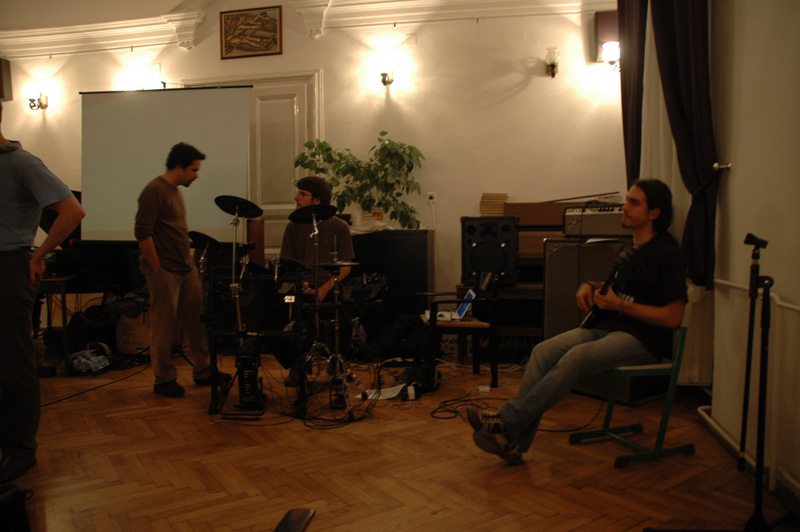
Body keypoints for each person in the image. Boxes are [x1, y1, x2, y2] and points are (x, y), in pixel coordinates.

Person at [467, 179, 686, 464]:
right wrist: (590, 284)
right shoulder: (630, 248)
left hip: (642, 339)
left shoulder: (669, 254)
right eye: (627, 200)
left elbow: (673, 317)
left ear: (654, 213)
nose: (625, 207)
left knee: (574, 358)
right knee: (542, 351)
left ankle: (506, 421)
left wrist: (620, 306)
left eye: (634, 203)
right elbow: (620, 287)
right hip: (606, 326)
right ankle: (514, 444)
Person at [0, 101, 86, 483]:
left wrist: (40, 254)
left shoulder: (22, 163)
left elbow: (73, 211)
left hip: (7, 267)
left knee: (13, 363)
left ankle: (19, 450)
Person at [135, 142, 228, 398]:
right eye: (193, 170)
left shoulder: (175, 191)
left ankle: (203, 370)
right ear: (179, 166)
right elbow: (142, 232)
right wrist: (157, 268)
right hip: (165, 271)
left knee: (196, 320)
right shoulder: (154, 191)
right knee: (164, 326)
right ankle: (163, 379)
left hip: (185, 269)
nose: (196, 175)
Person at [277, 176, 355, 386]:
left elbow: (346, 267)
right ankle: (296, 363)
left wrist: (323, 289)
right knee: (276, 313)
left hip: (330, 287)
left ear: (317, 200)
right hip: (300, 289)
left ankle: (338, 361)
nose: (296, 198)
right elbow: (289, 265)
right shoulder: (293, 227)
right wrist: (299, 285)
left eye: (302, 194)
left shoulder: (339, 226)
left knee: (344, 319)